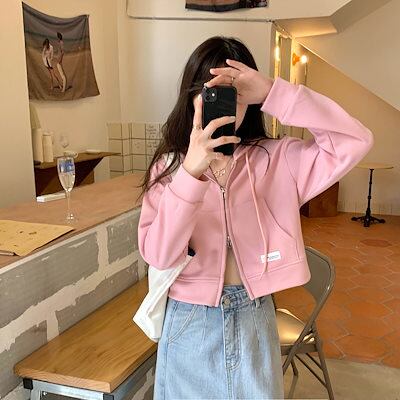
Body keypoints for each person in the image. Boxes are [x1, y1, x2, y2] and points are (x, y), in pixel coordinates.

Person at [137, 36, 374, 399]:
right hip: (189, 321)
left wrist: (275, 93)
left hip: (255, 316)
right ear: (193, 97)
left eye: (234, 92)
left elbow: (354, 140)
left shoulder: (277, 160)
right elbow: (159, 255)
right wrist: (190, 173)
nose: (224, 104)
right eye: (212, 91)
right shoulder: (169, 168)